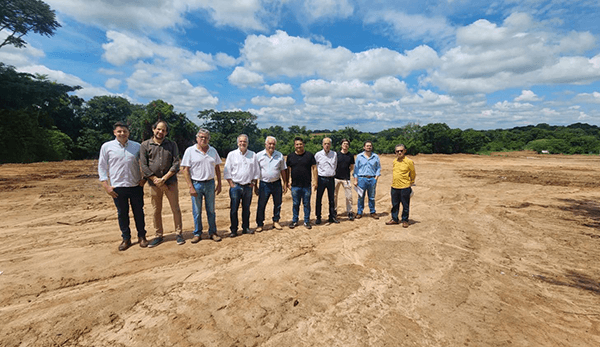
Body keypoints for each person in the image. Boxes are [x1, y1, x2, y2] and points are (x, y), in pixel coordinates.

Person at [98, 121, 148, 251]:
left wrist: (144, 179)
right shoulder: (107, 147)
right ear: (114, 133)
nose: (122, 133)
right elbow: (102, 166)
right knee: (122, 213)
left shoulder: (137, 146)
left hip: (135, 185)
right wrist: (106, 186)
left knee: (139, 212)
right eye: (119, 131)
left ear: (128, 133)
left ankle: (142, 237)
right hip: (117, 187)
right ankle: (126, 238)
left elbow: (145, 163)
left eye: (124, 131)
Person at [140, 120, 184, 247]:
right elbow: (144, 165)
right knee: (156, 210)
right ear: (153, 129)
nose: (161, 132)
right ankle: (158, 235)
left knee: (175, 208)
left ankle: (178, 233)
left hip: (170, 182)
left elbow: (176, 163)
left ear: (166, 132)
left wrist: (164, 178)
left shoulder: (172, 144)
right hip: (154, 184)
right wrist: (155, 179)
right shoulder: (145, 145)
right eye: (158, 129)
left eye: (163, 130)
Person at [181, 129, 222, 243]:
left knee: (211, 210)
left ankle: (213, 232)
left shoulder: (213, 150)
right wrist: (190, 186)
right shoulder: (190, 151)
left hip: (210, 183)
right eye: (201, 137)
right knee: (197, 211)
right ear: (197, 138)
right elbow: (185, 170)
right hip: (196, 184)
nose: (203, 139)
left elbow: (217, 168)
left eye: (206, 137)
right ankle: (197, 233)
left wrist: (219, 183)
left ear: (209, 139)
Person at [223, 134, 260, 237]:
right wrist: (231, 183)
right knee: (234, 209)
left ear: (247, 143)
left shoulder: (253, 155)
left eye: (244, 142)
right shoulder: (232, 154)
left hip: (248, 187)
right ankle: (234, 230)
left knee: (246, 209)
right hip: (236, 186)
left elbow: (256, 170)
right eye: (241, 141)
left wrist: (253, 183)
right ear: (237, 143)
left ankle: (246, 228)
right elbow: (227, 170)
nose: (242, 143)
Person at [255, 136, 288, 232]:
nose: (271, 146)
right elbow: (256, 171)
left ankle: (276, 221)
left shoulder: (279, 155)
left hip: (276, 183)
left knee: (277, 203)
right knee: (261, 204)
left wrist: (285, 183)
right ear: (265, 144)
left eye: (273, 144)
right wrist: (255, 185)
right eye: (269, 144)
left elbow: (283, 170)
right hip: (264, 184)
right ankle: (260, 224)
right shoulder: (259, 156)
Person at [286, 137, 316, 229]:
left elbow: (314, 168)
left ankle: (306, 221)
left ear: (303, 145)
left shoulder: (309, 155)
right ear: (294, 145)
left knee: (306, 204)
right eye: (297, 144)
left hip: (306, 185)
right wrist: (287, 182)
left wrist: (315, 181)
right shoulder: (290, 156)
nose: (299, 146)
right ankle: (295, 220)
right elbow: (288, 170)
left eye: (300, 144)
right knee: (295, 204)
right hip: (295, 185)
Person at [386, 144, 416, 228]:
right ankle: (394, 219)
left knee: (405, 205)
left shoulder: (409, 161)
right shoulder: (394, 161)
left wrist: (411, 182)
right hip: (394, 186)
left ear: (405, 151)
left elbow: (413, 173)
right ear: (395, 152)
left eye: (401, 151)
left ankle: (405, 220)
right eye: (397, 151)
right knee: (395, 204)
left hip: (405, 187)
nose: (399, 152)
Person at [314, 137, 339, 225]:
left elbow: (335, 165)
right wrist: (315, 181)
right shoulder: (318, 155)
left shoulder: (334, 154)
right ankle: (318, 217)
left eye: (328, 144)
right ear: (322, 144)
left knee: (331, 199)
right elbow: (315, 168)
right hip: (321, 179)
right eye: (325, 144)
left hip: (331, 178)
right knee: (318, 199)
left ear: (330, 145)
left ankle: (332, 217)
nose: (327, 145)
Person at [353, 141, 381, 219]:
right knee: (361, 197)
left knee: (372, 197)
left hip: (372, 179)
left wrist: (376, 178)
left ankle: (372, 212)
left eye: (370, 146)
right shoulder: (359, 156)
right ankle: (359, 212)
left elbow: (378, 167)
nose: (369, 147)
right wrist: (355, 180)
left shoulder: (375, 156)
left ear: (372, 147)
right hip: (361, 179)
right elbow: (356, 169)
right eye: (367, 146)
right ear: (364, 147)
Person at [334, 138, 355, 221]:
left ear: (348, 146)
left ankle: (350, 212)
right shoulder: (336, 154)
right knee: (334, 196)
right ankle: (334, 211)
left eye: (347, 144)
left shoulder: (350, 155)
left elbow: (352, 167)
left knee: (349, 196)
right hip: (336, 178)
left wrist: (346, 172)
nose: (345, 145)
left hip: (346, 178)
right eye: (344, 144)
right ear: (341, 145)